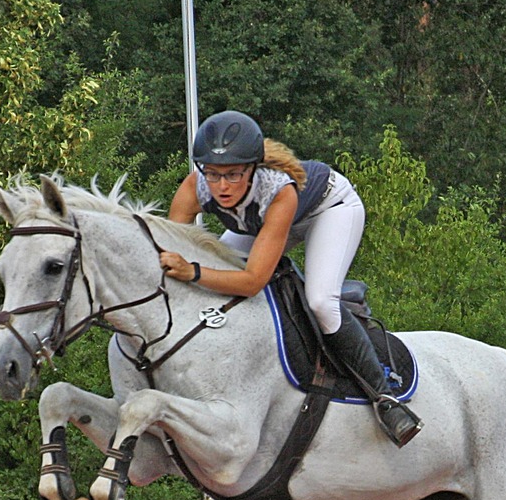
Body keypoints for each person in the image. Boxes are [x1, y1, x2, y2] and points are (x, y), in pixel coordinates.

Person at [158, 110, 422, 448]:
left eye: (233, 174)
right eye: (212, 174)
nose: (221, 186)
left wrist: (193, 271)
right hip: (264, 224)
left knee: (320, 302)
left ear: (252, 169)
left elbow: (253, 280)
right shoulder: (196, 188)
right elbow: (172, 249)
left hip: (329, 208)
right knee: (214, 285)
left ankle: (385, 398)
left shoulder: (278, 191)